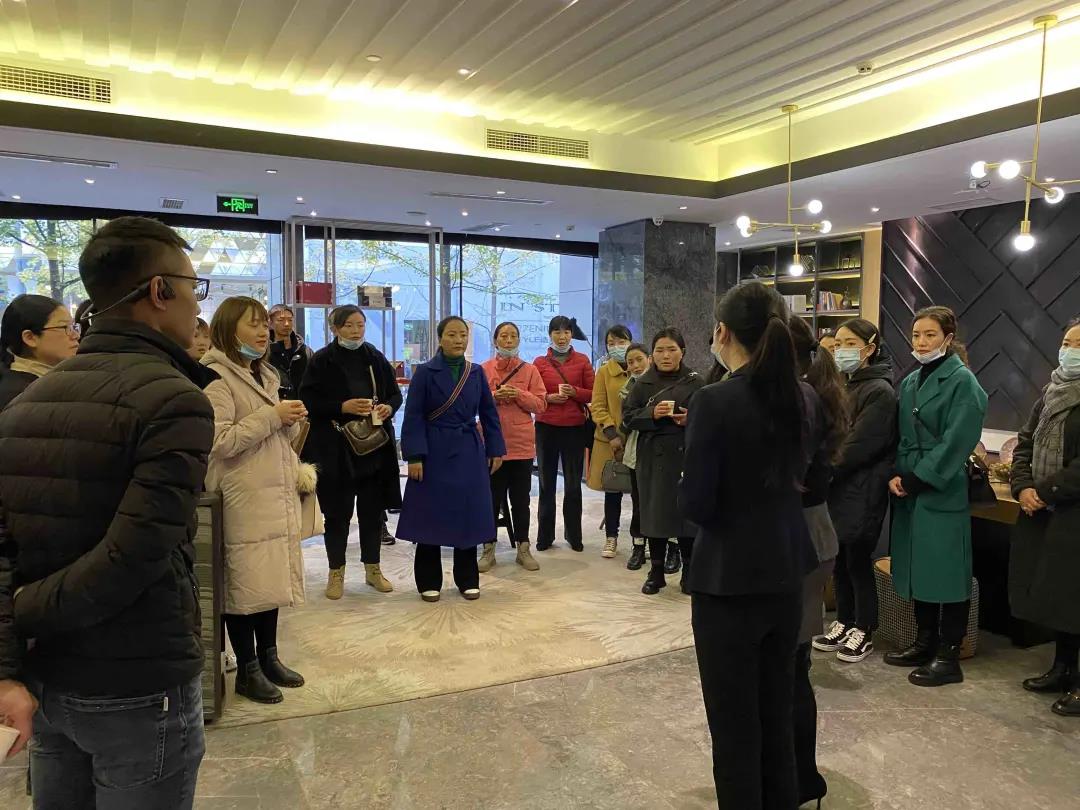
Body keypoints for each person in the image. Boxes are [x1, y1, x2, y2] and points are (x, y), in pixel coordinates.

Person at [0, 216, 213, 807]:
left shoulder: (28, 400)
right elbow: (135, 556)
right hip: (137, 681)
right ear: (159, 291)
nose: (198, 305)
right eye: (193, 287)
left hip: (48, 675)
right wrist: (23, 611)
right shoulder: (175, 399)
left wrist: (14, 642)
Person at [679, 281, 822, 810]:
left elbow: (697, 504)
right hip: (787, 569)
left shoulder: (714, 400)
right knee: (776, 711)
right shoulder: (804, 396)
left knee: (734, 725)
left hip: (728, 580)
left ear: (722, 333)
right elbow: (815, 480)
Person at [202, 297, 308, 705]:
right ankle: (247, 668)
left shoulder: (264, 373)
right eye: (253, 325)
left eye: (265, 324)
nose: (264, 331)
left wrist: (289, 421)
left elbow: (269, 433)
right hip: (241, 497)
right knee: (243, 584)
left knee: (269, 579)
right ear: (228, 329)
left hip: (272, 493)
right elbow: (219, 440)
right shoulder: (215, 376)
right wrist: (273, 416)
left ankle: (269, 656)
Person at [885, 305, 987, 687]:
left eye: (930, 334)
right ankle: (923, 641)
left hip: (942, 487)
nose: (922, 342)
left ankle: (948, 656)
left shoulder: (963, 382)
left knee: (948, 572)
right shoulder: (912, 380)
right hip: (909, 486)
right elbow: (902, 435)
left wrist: (919, 478)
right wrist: (898, 474)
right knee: (918, 569)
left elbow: (957, 440)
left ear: (948, 337)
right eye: (916, 335)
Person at [396, 316, 506, 601]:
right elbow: (413, 416)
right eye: (452, 335)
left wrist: (495, 449)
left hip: (468, 449)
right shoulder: (425, 372)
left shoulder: (475, 372)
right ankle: (428, 580)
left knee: (467, 514)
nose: (458, 340)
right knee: (430, 515)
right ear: (440, 338)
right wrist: (414, 456)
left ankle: (467, 578)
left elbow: (489, 413)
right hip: (433, 451)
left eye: (463, 335)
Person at [300, 305, 402, 599]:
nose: (356, 331)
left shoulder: (374, 357)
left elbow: (395, 394)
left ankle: (373, 569)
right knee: (337, 515)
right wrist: (341, 407)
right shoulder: (321, 360)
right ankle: (336, 573)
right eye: (349, 326)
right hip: (335, 449)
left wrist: (388, 407)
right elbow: (307, 401)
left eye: (360, 325)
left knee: (372, 513)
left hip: (373, 449)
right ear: (334, 328)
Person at [789, 315, 848, 808]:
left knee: (791, 668)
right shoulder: (817, 391)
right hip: (815, 534)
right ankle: (799, 777)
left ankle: (800, 779)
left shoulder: (801, 402)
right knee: (795, 664)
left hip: (802, 538)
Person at [1009, 317, 1080, 717]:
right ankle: (1062, 668)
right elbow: (1024, 443)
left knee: (1076, 599)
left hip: (1071, 512)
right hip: (1044, 512)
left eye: (1079, 344)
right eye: (1067, 342)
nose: (1070, 350)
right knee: (1058, 599)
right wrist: (1023, 487)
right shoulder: (1050, 393)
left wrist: (1045, 491)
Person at [816, 318, 896, 663]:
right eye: (838, 344)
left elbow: (859, 444)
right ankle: (844, 620)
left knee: (859, 560)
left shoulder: (880, 391)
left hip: (863, 487)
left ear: (870, 348)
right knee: (840, 559)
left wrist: (824, 465)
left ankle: (864, 628)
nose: (842, 351)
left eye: (850, 344)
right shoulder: (846, 385)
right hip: (838, 487)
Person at [622, 327, 703, 595]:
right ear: (652, 355)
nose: (665, 355)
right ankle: (656, 573)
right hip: (652, 456)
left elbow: (710, 418)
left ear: (683, 352)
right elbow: (628, 417)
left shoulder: (696, 382)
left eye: (671, 350)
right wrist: (652, 414)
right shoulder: (642, 383)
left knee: (686, 518)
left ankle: (689, 572)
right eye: (660, 350)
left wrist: (691, 419)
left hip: (686, 455)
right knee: (654, 516)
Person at [479, 321, 546, 572]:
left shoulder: (530, 370)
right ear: (495, 340)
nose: (508, 340)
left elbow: (541, 405)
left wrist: (518, 394)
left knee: (520, 500)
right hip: (492, 443)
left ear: (519, 340)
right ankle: (488, 548)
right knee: (490, 500)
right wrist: (493, 397)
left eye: (513, 336)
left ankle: (523, 548)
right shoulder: (483, 369)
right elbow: (473, 403)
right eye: (504, 336)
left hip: (521, 445)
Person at [533, 315, 594, 551]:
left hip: (574, 428)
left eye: (566, 332)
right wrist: (549, 398)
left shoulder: (582, 360)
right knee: (546, 483)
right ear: (550, 335)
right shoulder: (539, 363)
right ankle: (544, 536)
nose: (562, 337)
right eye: (557, 332)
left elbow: (593, 393)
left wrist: (574, 392)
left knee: (573, 484)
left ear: (571, 335)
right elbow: (534, 394)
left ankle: (574, 535)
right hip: (546, 427)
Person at [587, 324, 634, 559]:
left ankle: (641, 539)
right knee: (613, 490)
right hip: (610, 441)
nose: (616, 347)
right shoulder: (604, 372)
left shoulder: (645, 369)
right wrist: (612, 434)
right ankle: (611, 537)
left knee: (641, 493)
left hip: (638, 440)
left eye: (621, 342)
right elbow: (598, 406)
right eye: (611, 343)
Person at [0, 294, 79, 410]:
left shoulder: (50, 379)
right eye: (65, 327)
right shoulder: (20, 397)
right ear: (30, 338)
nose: (76, 335)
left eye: (73, 327)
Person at [620, 343, 651, 571]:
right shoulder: (627, 388)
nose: (636, 365)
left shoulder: (663, 383)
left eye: (639, 359)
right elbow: (626, 420)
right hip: (635, 451)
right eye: (630, 362)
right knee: (638, 502)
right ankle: (638, 546)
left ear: (649, 359)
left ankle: (671, 549)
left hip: (663, 452)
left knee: (665, 502)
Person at [268, 304, 313, 401]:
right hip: (277, 406)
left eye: (290, 320)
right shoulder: (265, 353)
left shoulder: (305, 351)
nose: (286, 324)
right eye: (281, 320)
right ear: (270, 323)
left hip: (304, 406)